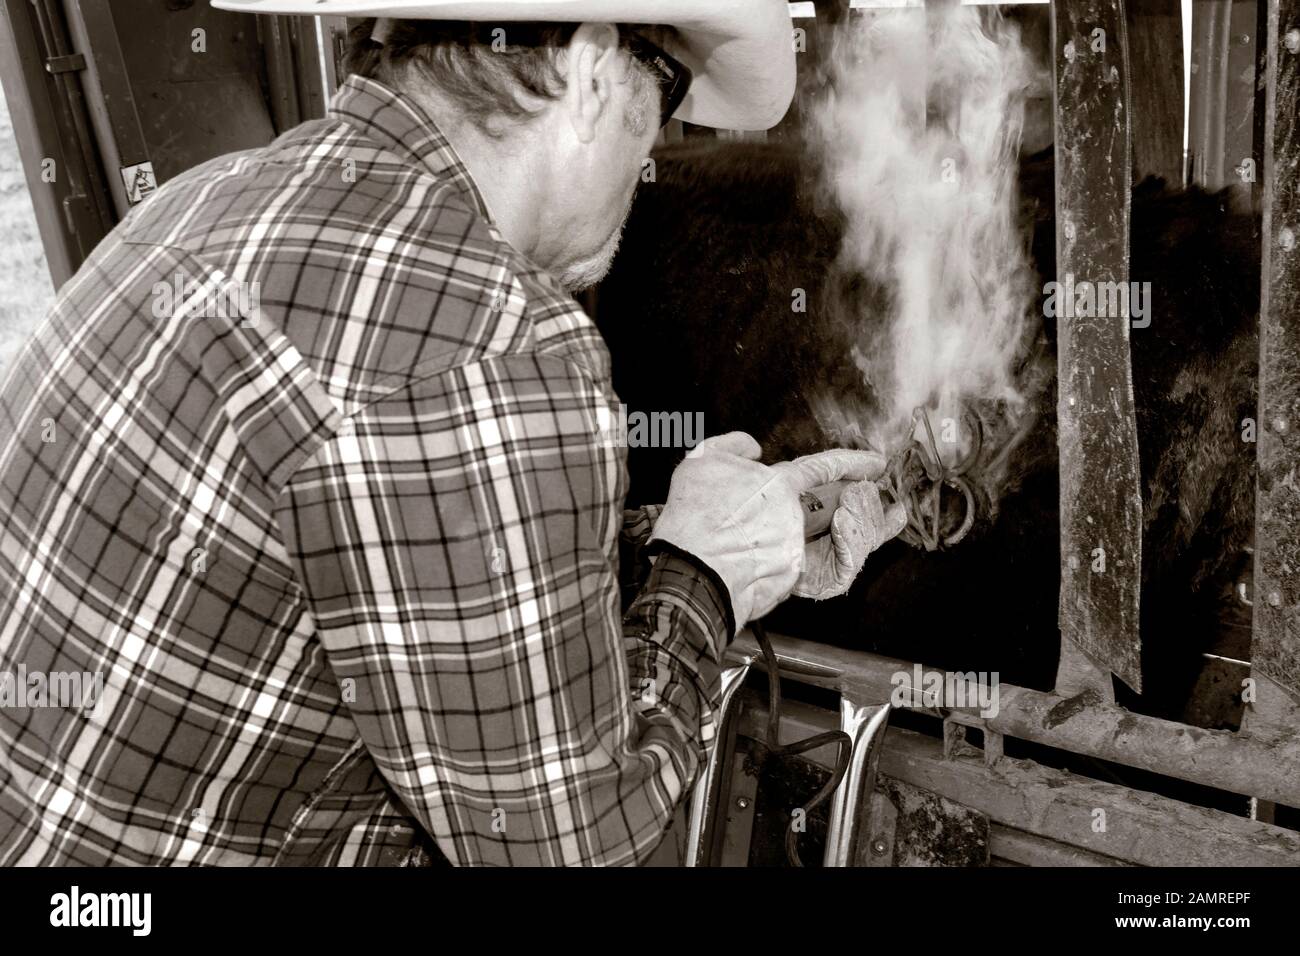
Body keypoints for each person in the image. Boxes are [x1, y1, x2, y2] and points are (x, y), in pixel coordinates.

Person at [0, 0, 905, 865]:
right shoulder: (499, 345)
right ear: (594, 71)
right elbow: (582, 851)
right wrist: (702, 580)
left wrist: (680, 542)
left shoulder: (198, 202)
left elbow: (399, 553)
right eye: (666, 99)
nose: (648, 161)